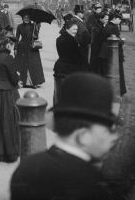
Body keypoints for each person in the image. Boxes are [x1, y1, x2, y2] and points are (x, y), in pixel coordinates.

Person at [10, 72, 121, 200]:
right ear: (83, 136)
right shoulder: (94, 184)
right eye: (106, 131)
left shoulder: (27, 167)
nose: (113, 138)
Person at [54, 19, 87, 105]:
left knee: (59, 92)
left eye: (76, 29)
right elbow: (75, 56)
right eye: (73, 29)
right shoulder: (71, 40)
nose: (75, 31)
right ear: (67, 29)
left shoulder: (59, 38)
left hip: (60, 67)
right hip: (69, 69)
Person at [14, 15, 44, 88]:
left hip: (32, 48)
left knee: (33, 64)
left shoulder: (33, 25)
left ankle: (34, 82)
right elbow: (17, 38)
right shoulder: (19, 26)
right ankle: (22, 82)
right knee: (22, 64)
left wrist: (36, 29)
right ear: (22, 18)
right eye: (24, 18)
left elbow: (36, 37)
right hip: (22, 47)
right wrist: (15, 48)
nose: (26, 19)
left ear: (30, 18)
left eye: (27, 18)